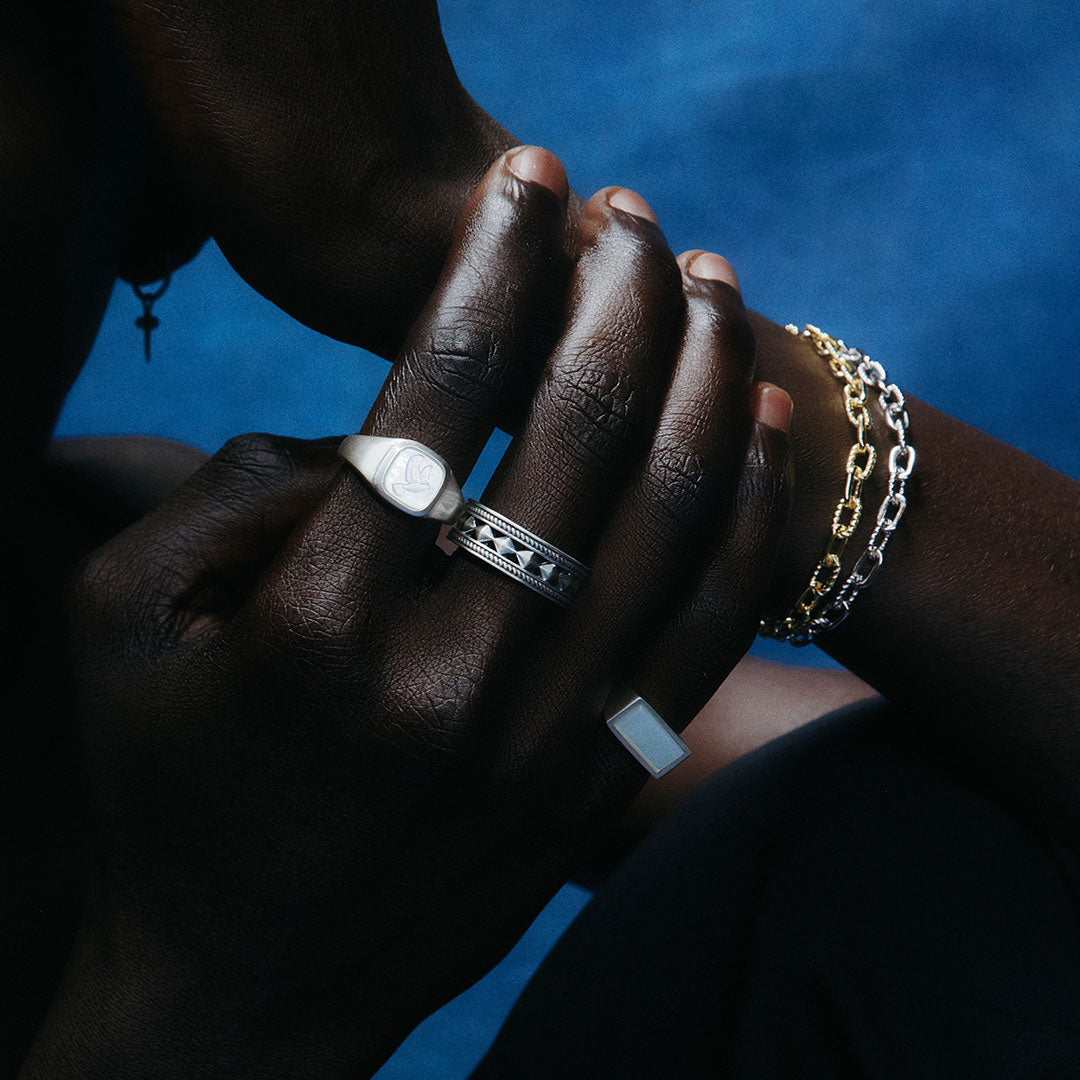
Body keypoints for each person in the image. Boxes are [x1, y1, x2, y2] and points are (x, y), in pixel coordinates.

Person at [6, 2, 1080, 1076]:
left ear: (167, 170)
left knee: (938, 850)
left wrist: (434, 219)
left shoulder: (181, 596)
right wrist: (213, 991)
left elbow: (964, 750)